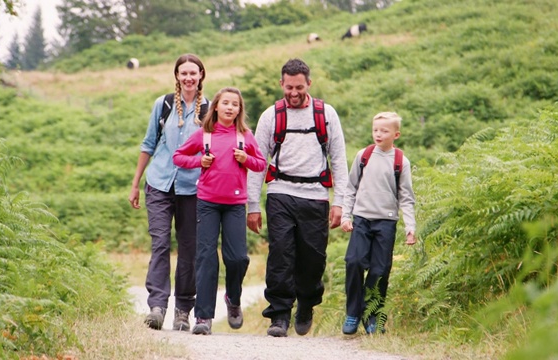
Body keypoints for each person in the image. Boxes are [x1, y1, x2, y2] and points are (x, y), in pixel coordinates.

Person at [246, 58, 349, 337]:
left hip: (316, 196)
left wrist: (340, 203)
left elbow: (339, 160)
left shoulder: (326, 114)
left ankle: (306, 304)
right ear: (281, 84)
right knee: (280, 253)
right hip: (280, 192)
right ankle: (279, 315)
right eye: (288, 87)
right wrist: (252, 205)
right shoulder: (271, 116)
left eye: (299, 87)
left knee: (313, 257)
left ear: (309, 84)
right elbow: (257, 162)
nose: (293, 92)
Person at [173, 87, 266, 335]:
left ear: (239, 109)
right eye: (225, 103)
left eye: (234, 104)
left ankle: (233, 299)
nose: (229, 107)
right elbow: (178, 156)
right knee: (205, 258)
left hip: (235, 204)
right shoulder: (204, 135)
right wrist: (198, 161)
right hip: (207, 202)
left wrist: (246, 159)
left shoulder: (245, 136)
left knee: (237, 258)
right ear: (215, 106)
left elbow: (261, 164)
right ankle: (203, 318)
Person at [128, 54, 208, 332]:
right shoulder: (162, 105)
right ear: (176, 76)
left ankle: (183, 310)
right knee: (160, 243)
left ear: (201, 76)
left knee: (189, 250)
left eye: (193, 73)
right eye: (183, 73)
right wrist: (136, 182)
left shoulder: (209, 110)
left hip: (194, 188)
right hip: (159, 184)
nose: (188, 78)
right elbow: (148, 143)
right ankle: (157, 307)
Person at [340, 111, 417, 335]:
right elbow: (350, 188)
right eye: (375, 130)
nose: (378, 134)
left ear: (396, 134)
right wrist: (346, 216)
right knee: (353, 262)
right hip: (361, 220)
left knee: (380, 270)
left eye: (384, 130)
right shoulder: (363, 155)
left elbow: (406, 197)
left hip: (386, 222)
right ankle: (353, 313)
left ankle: (373, 316)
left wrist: (410, 227)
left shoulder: (400, 161)